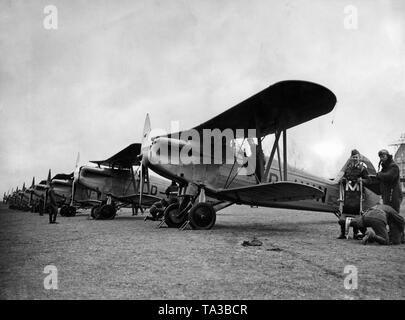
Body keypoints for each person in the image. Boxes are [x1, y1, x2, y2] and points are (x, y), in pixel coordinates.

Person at [337, 149, 369, 239]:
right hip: (348, 196)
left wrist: (362, 180)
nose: (355, 158)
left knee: (356, 214)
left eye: (356, 157)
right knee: (344, 212)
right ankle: (343, 233)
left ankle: (356, 233)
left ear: (359, 158)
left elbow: (369, 181)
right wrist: (343, 181)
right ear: (351, 158)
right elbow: (344, 179)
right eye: (353, 157)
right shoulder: (348, 168)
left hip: (357, 196)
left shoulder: (363, 169)